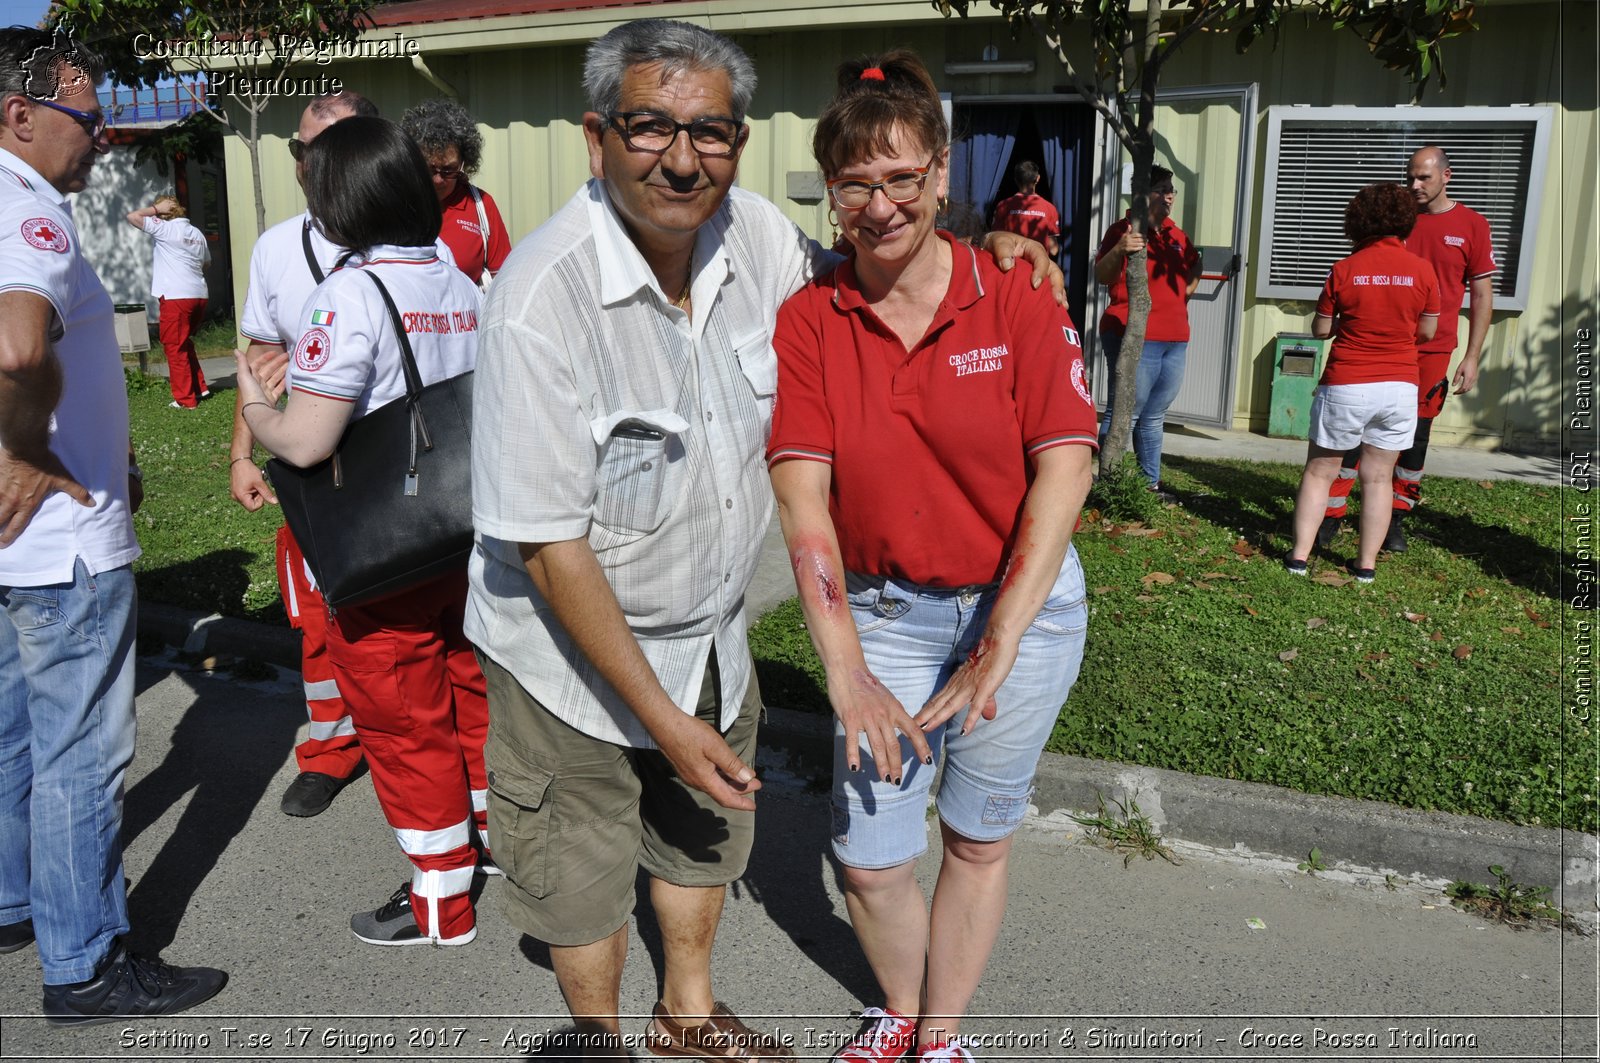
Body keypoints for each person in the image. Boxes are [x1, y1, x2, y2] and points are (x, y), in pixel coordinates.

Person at [468, 19, 1059, 1059]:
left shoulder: (756, 240)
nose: (683, 157)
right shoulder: (536, 303)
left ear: (739, 145)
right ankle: (598, 1031)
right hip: (566, 655)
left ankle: (687, 1014)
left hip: (707, 633)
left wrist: (994, 250)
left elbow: (874, 261)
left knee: (702, 841)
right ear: (595, 135)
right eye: (651, 127)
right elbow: (548, 546)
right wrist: (655, 712)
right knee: (581, 875)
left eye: (712, 132)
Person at [767, 52, 1097, 1063]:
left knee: (977, 839)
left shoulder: (1013, 294)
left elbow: (1066, 465)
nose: (880, 204)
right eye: (857, 182)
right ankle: (899, 1008)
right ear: (832, 190)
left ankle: (939, 1036)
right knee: (868, 859)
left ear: (943, 174)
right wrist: (844, 667)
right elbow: (803, 502)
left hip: (1022, 614)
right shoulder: (812, 319)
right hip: (886, 614)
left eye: (902, 177)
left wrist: (998, 639)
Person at [0, 25, 226, 1023]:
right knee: (78, 755)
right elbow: (16, 347)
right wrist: (21, 449)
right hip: (61, 538)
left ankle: (18, 901)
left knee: (12, 736)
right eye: (86, 118)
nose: (99, 137)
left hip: (21, 544)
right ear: (20, 114)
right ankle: (85, 962)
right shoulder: (27, 213)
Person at [233, 115, 490, 947]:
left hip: (381, 552)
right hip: (464, 531)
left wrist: (255, 404)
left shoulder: (347, 294)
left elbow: (307, 439)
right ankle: (495, 851)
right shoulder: (457, 276)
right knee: (470, 695)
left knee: (404, 720)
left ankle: (440, 903)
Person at [232, 90, 378, 819]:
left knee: (406, 618)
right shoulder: (275, 248)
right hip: (309, 474)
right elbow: (255, 360)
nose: (308, 163)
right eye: (300, 147)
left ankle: (415, 751)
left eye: (325, 147)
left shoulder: (415, 240)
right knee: (318, 621)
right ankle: (331, 747)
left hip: (394, 474)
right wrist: (240, 454)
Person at [1317, 145, 1497, 553]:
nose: (1414, 185)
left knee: (1414, 436)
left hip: (1432, 350)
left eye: (1424, 178)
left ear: (1446, 176)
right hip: (1372, 347)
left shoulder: (1472, 225)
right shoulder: (1393, 220)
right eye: (1410, 176)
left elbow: (1482, 296)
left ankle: (1395, 517)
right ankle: (1331, 513)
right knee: (1351, 430)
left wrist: (1472, 356)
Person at [1286, 182, 1439, 583]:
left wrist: (1345, 323)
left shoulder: (1344, 268)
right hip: (1400, 385)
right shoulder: (1424, 270)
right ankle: (1366, 564)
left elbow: (1321, 329)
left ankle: (1300, 556)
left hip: (1348, 382)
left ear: (1357, 222)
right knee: (1378, 477)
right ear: (1405, 221)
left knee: (1321, 471)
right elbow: (1427, 332)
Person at [1092, 164, 1201, 495]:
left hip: (1174, 338)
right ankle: (1110, 484)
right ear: (1142, 194)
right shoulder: (1123, 230)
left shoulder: (1176, 234)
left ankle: (1148, 484)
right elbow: (1103, 275)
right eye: (1162, 189)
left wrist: (1180, 297)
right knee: (1127, 410)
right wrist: (1121, 249)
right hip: (1132, 333)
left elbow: (1195, 265)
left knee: (1154, 415)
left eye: (1172, 190)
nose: (1170, 196)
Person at [400, 97, 511, 288]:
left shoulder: (481, 205)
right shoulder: (395, 201)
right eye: (429, 169)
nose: (438, 179)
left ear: (464, 163)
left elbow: (504, 281)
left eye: (448, 170)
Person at [126, 194, 211, 409]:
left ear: (165, 212)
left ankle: (185, 400)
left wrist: (155, 209)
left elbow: (133, 216)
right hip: (199, 295)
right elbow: (207, 263)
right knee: (184, 342)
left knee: (174, 346)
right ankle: (199, 387)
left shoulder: (165, 228)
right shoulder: (197, 233)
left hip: (176, 297)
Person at [990, 160, 1058, 257]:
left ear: (1015, 179)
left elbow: (995, 239)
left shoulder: (1003, 206)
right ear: (1038, 178)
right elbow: (1053, 250)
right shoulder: (1050, 208)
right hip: (1038, 266)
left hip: (1011, 266)